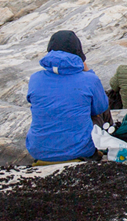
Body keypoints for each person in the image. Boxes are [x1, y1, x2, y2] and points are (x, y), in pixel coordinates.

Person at [26, 30, 110, 163]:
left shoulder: (35, 78)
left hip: (39, 151)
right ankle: (106, 144)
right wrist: (89, 72)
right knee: (98, 109)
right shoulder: (89, 79)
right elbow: (100, 108)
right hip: (81, 150)